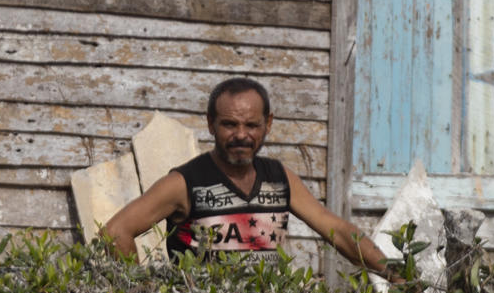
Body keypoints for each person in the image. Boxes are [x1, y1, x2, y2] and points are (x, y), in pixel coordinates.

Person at [101, 76, 395, 277]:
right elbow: (115, 234)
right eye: (229, 124)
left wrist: (393, 275)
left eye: (252, 125)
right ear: (210, 124)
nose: (241, 135)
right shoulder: (185, 184)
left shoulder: (280, 179)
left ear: (268, 124)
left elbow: (339, 232)